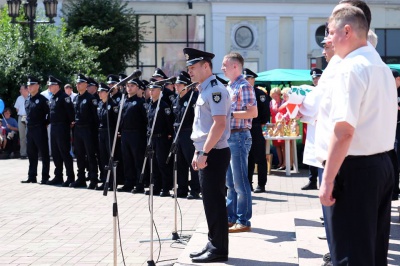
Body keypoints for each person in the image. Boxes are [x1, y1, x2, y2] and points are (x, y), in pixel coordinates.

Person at [316, 6, 396, 265]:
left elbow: (344, 131)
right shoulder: (379, 65)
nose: (327, 39)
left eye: (330, 32)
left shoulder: (350, 68)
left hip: (353, 169)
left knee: (350, 255)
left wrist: (327, 180)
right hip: (381, 164)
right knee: (373, 253)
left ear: (346, 31)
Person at [184, 47, 231, 263]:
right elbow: (203, 126)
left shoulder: (216, 90)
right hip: (206, 151)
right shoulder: (203, 89)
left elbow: (219, 125)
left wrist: (204, 151)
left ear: (206, 66)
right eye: (189, 67)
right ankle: (214, 242)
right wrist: (198, 150)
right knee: (210, 202)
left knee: (216, 202)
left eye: (193, 67)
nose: (190, 71)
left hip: (214, 153)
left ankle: (219, 248)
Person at [222, 52, 257, 233]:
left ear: (235, 66)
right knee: (230, 182)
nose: (222, 68)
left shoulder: (244, 86)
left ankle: (243, 221)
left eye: (225, 65)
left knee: (240, 182)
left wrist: (230, 115)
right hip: (230, 137)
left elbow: (253, 113)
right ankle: (231, 217)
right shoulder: (230, 86)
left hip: (239, 136)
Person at [171, 71, 200, 199]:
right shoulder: (175, 100)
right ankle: (182, 188)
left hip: (189, 133)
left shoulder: (192, 100)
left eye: (179, 84)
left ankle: (195, 189)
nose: (176, 86)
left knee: (191, 163)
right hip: (178, 133)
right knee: (180, 162)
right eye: (176, 85)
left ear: (187, 86)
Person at [118, 78, 147, 193]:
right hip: (125, 134)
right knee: (127, 159)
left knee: (137, 160)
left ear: (138, 88)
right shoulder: (123, 101)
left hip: (137, 134)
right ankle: (128, 183)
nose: (129, 88)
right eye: (128, 86)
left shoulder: (140, 102)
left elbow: (145, 120)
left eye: (132, 86)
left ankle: (139, 184)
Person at [145, 81, 174, 197]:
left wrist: (169, 137)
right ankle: (156, 187)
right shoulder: (149, 104)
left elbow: (169, 124)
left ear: (160, 91)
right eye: (150, 90)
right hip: (151, 138)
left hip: (161, 138)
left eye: (154, 90)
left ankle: (166, 188)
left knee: (162, 164)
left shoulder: (163, 106)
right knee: (153, 164)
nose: (151, 92)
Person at [70, 74, 99, 189]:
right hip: (78, 129)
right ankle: (81, 178)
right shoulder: (76, 98)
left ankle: (93, 179)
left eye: (80, 83)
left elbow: (95, 117)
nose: (78, 85)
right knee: (79, 155)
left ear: (86, 85)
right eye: (77, 83)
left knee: (91, 155)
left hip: (88, 130)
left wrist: (93, 132)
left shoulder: (91, 99)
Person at [46, 75, 76, 187]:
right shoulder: (52, 98)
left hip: (62, 127)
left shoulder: (64, 97)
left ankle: (70, 177)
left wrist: (70, 124)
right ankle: (58, 176)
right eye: (48, 85)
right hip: (53, 127)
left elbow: (71, 113)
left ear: (57, 86)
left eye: (51, 85)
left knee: (64, 152)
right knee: (55, 153)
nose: (49, 87)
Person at [244, 68, 269, 193]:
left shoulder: (260, 94)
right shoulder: (241, 93)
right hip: (244, 128)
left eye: (248, 78)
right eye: (245, 79)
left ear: (253, 80)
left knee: (260, 157)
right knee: (248, 158)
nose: (246, 81)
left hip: (255, 127)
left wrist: (259, 126)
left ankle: (261, 184)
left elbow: (265, 114)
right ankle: (248, 183)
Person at [21, 76, 50, 184]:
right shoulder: (27, 99)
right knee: (31, 153)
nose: (29, 87)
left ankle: (45, 176)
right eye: (28, 85)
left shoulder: (43, 100)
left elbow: (49, 114)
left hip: (40, 129)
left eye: (32, 85)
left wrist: (45, 124)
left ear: (37, 86)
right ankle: (32, 176)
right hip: (30, 129)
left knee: (44, 154)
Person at [301, 68, 323, 191]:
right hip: (312, 124)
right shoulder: (310, 90)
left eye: (317, 77)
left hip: (322, 125)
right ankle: (312, 180)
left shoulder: (326, 89)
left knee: (322, 154)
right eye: (314, 78)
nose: (315, 80)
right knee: (311, 152)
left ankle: (321, 180)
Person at [96, 83, 119, 191]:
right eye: (99, 92)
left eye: (101, 92)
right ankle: (105, 180)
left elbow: (116, 121)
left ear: (107, 93)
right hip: (102, 133)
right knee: (103, 158)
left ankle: (113, 181)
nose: (99, 93)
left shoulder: (113, 104)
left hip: (110, 132)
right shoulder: (100, 104)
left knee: (111, 157)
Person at [269, 87, 287, 169]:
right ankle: (280, 163)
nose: (274, 98)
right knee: (276, 145)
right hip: (274, 124)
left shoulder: (284, 102)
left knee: (283, 144)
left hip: (282, 124)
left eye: (276, 96)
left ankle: (285, 163)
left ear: (279, 95)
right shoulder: (271, 102)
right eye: (273, 96)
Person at [14, 84, 29, 159]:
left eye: (21, 89)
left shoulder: (31, 97)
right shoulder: (19, 98)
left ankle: (31, 152)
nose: (20, 90)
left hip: (29, 118)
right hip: (21, 117)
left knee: (30, 135)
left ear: (26, 89)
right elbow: (16, 109)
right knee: (22, 136)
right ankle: (23, 153)